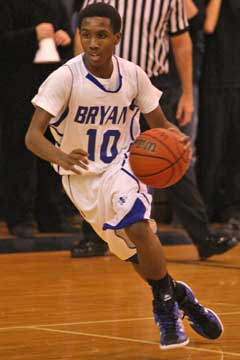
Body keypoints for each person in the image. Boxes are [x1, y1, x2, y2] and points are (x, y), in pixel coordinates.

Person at [25, 3, 223, 349]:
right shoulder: (65, 77)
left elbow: (159, 126)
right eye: (85, 35)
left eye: (101, 35)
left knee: (138, 226)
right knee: (136, 257)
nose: (93, 43)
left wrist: (177, 142)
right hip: (81, 180)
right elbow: (32, 136)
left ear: (117, 37)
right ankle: (180, 296)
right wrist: (60, 156)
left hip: (125, 165)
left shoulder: (133, 75)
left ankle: (164, 313)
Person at [73, 0, 238, 260]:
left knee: (174, 156)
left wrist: (187, 93)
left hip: (153, 86)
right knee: (103, 160)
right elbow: (81, 38)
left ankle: (203, 237)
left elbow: (181, 42)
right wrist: (81, 84)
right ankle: (92, 237)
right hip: (107, 86)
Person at [0, 0, 76, 237]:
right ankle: (19, 215)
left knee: (51, 148)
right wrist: (31, 35)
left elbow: (67, 34)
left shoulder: (56, 3)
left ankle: (50, 214)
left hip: (51, 87)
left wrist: (65, 38)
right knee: (19, 151)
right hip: (16, 86)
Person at [198, 0, 240, 231]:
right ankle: (205, 209)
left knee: (236, 151)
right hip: (213, 81)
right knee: (211, 149)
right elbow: (208, 26)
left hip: (236, 81)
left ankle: (233, 209)